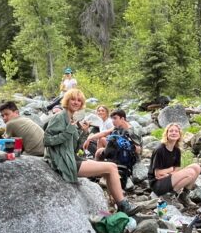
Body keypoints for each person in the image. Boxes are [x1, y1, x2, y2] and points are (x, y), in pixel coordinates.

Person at [43, 88, 136, 216]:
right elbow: (47, 141)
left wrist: (84, 133)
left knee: (110, 168)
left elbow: (75, 148)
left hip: (71, 156)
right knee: (111, 167)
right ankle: (123, 205)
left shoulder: (71, 118)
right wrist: (69, 131)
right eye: (73, 99)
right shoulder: (59, 117)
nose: (76, 102)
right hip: (62, 161)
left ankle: (117, 203)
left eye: (79, 100)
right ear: (67, 101)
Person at [149, 124, 201, 205]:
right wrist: (171, 170)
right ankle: (169, 196)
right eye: (171, 131)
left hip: (168, 178)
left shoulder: (176, 150)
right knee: (190, 173)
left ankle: (183, 196)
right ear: (166, 134)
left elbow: (176, 170)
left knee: (196, 167)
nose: (174, 133)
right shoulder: (160, 150)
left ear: (179, 135)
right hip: (157, 184)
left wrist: (169, 173)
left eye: (176, 131)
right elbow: (158, 174)